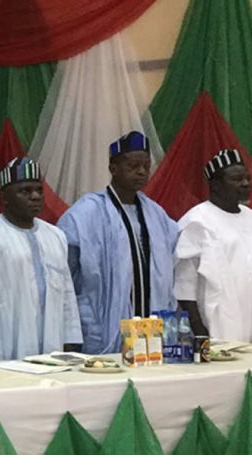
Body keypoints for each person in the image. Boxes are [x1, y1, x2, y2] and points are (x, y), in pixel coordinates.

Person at [57, 131, 179, 354]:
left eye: (146, 166)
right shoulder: (85, 213)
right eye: (133, 166)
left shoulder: (157, 214)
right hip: (102, 328)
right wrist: (81, 323)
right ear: (113, 168)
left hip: (152, 331)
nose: (141, 172)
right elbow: (66, 277)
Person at [0, 158, 82, 360]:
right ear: (4, 197)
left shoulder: (56, 236)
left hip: (53, 345)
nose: (35, 196)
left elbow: (67, 292)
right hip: (6, 346)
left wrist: (71, 337)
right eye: (25, 191)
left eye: (38, 190)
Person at [174, 149, 252, 341]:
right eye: (237, 179)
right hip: (222, 321)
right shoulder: (197, 220)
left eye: (247, 178)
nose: (245, 184)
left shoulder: (251, 216)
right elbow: (184, 283)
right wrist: (199, 329)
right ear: (215, 185)